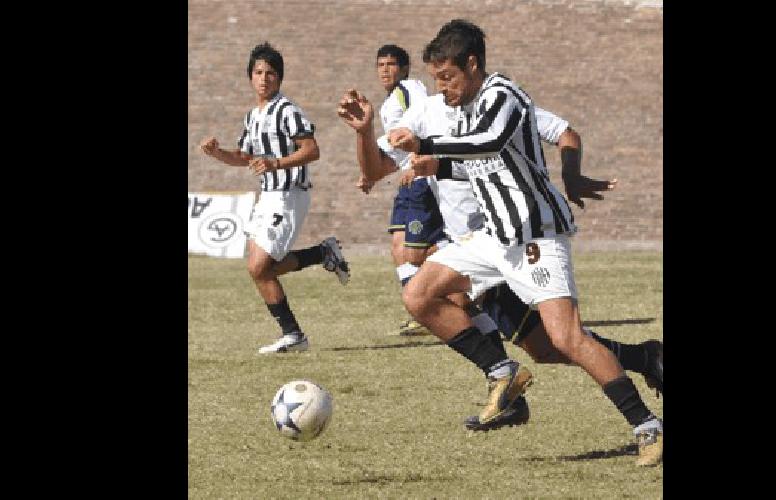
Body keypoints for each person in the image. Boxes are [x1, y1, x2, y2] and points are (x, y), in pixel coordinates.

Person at [389, 20, 663, 466]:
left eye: (447, 77)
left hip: (535, 236)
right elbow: (477, 167)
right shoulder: (467, 107)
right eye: (436, 79)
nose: (441, 90)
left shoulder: (505, 97)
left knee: (566, 339)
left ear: (472, 64)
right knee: (418, 294)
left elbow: (489, 143)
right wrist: (433, 169)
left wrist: (427, 144)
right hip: (492, 238)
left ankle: (648, 426)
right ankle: (502, 372)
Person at [199, 42, 350, 355]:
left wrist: (276, 163)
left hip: (289, 194)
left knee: (259, 267)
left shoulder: (288, 111)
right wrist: (218, 153)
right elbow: (243, 157)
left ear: (279, 78)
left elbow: (312, 150)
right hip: (267, 195)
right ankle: (321, 256)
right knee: (263, 268)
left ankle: (294, 334)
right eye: (258, 72)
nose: (264, 78)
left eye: (270, 73)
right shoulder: (253, 116)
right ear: (250, 77)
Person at [358, 45, 436, 337]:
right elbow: (395, 150)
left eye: (392, 64)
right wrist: (372, 175)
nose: (385, 70)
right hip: (407, 182)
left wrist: (416, 161)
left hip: (419, 180)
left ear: (404, 68)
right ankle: (419, 311)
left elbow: (421, 122)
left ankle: (447, 301)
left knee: (417, 254)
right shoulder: (391, 101)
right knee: (398, 249)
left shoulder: (409, 89)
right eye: (380, 65)